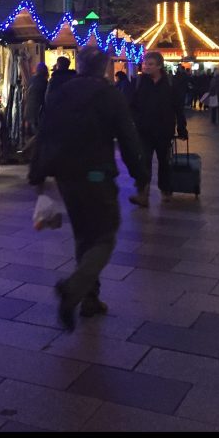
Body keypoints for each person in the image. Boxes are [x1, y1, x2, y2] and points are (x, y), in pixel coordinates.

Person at [28, 47, 148, 331]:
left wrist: (37, 173)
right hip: (96, 173)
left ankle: (90, 300)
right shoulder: (109, 95)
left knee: (84, 235)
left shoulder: (61, 93)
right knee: (105, 234)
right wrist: (140, 174)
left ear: (79, 66)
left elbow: (45, 133)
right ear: (104, 67)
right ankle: (75, 288)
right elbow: (128, 137)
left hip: (66, 176)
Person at [128, 51, 186, 208]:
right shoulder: (138, 82)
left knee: (164, 161)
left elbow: (178, 107)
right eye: (145, 63)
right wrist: (136, 120)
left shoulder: (170, 84)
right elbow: (131, 105)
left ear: (159, 66)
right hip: (144, 130)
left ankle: (165, 189)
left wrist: (182, 127)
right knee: (144, 161)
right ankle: (143, 193)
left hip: (163, 130)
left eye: (150, 64)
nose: (146, 66)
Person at [24, 62, 49, 132]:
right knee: (38, 135)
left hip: (29, 112)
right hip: (38, 113)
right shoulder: (44, 82)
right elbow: (46, 99)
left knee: (32, 136)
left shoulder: (31, 80)